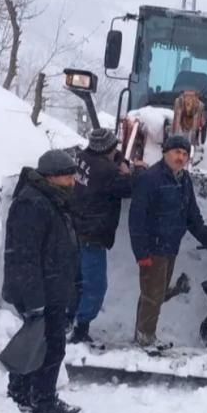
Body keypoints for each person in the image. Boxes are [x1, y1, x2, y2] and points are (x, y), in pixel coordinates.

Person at [2, 149, 82, 413]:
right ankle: (44, 402)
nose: (73, 182)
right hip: (41, 290)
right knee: (50, 346)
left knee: (37, 342)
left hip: (52, 287)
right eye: (68, 178)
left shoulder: (52, 200)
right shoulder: (33, 204)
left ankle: (21, 392)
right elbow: (24, 256)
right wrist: (34, 299)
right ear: (51, 177)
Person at [128, 135, 207, 349]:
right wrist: (141, 253)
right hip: (153, 248)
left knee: (155, 294)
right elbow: (137, 218)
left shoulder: (184, 180)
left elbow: (192, 217)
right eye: (177, 152)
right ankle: (145, 338)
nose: (181, 157)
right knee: (152, 295)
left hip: (171, 247)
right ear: (165, 153)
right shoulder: (150, 179)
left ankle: (143, 334)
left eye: (185, 153)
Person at [69, 129, 146, 345]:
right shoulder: (106, 172)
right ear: (108, 150)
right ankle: (80, 330)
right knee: (95, 286)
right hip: (93, 235)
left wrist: (121, 161)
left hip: (76, 229)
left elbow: (113, 161)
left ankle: (68, 319)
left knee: (76, 281)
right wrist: (137, 171)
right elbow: (130, 187)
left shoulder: (83, 158)